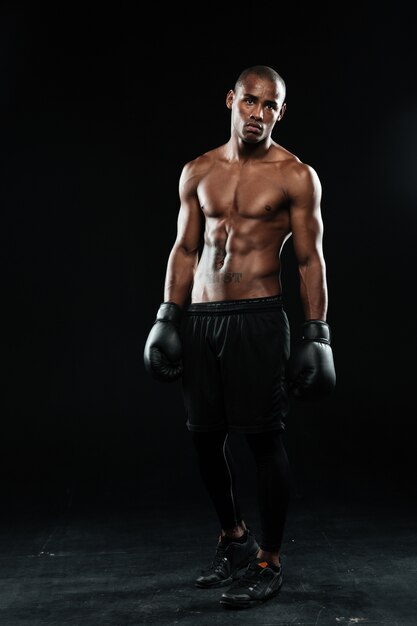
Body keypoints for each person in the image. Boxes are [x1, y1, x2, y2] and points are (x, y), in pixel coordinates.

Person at [143, 65, 336, 610]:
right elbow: (185, 249)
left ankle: (268, 560)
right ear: (231, 100)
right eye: (251, 101)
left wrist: (316, 333)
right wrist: (166, 316)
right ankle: (233, 539)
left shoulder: (295, 175)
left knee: (262, 440)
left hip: (256, 316)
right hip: (202, 319)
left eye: (271, 106)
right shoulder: (197, 170)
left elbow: (309, 259)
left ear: (280, 112)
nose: (259, 114)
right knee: (204, 436)